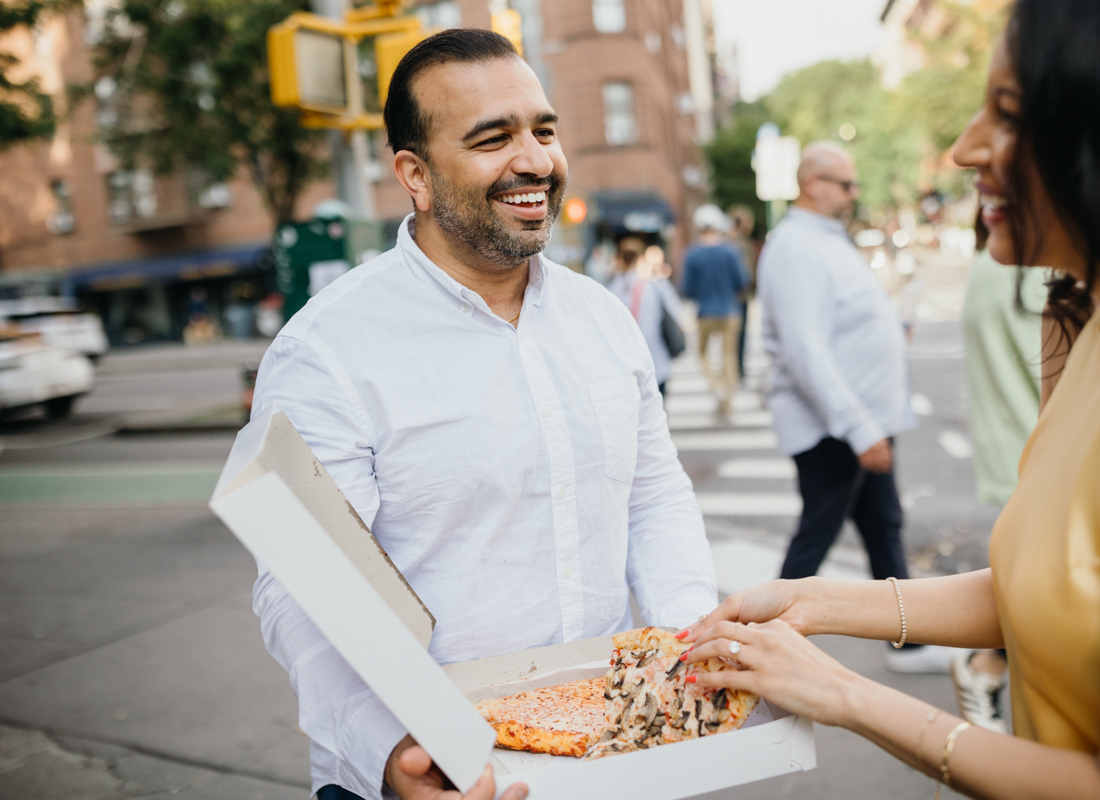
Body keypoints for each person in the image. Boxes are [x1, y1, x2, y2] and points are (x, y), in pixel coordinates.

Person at [680, 1, 1100, 796]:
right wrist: (812, 601)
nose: (964, 149)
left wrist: (844, 693)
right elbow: (1038, 588)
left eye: (1008, 113)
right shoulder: (1076, 319)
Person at [250, 29, 717, 800]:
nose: (535, 160)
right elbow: (303, 585)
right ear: (416, 175)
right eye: (493, 139)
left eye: (544, 130)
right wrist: (392, 746)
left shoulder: (603, 319)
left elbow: (652, 497)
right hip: (433, 767)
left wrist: (692, 650)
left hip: (608, 749)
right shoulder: (325, 353)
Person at [756, 142, 933, 671]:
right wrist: (859, 430)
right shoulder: (796, 247)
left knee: (883, 525)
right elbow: (805, 350)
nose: (855, 193)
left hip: (861, 420)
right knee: (816, 539)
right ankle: (759, 649)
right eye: (846, 184)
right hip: (835, 427)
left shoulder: (824, 239)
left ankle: (910, 644)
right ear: (813, 183)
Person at [953, 212, 1050, 731]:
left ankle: (986, 667)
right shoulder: (1042, 272)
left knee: (1036, 585)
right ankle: (986, 665)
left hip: (1012, 448)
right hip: (1049, 452)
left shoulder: (988, 263)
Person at [681, 204, 747, 417]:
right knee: (728, 355)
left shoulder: (692, 254)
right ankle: (727, 395)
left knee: (702, 354)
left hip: (705, 312)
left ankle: (717, 386)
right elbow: (742, 281)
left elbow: (686, 289)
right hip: (730, 310)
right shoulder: (731, 251)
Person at [607, 236, 685, 398]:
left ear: (618, 259)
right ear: (641, 259)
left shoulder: (609, 290)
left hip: (625, 364)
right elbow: (677, 313)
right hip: (656, 360)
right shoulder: (656, 286)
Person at [726, 204, 759, 379]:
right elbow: (744, 271)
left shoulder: (732, 241)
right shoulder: (736, 243)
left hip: (738, 296)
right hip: (737, 296)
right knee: (737, 336)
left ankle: (737, 369)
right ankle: (736, 370)